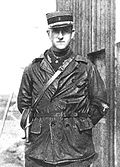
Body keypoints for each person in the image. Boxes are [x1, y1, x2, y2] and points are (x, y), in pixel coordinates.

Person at [17, 11, 109, 167]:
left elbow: (100, 104)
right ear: (48, 33)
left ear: (72, 34)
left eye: (65, 31)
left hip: (76, 150)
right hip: (40, 149)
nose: (60, 36)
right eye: (55, 31)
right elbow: (24, 105)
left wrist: (79, 125)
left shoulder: (86, 67)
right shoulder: (33, 69)